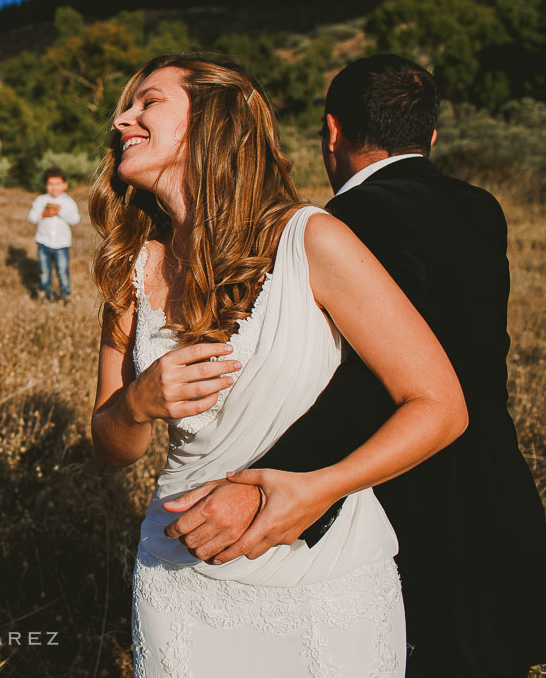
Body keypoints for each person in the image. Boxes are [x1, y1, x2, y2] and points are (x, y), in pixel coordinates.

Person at [157, 54, 546, 678]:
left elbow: (357, 385)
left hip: (402, 498)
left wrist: (261, 483)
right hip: (495, 493)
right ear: (431, 137)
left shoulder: (337, 225)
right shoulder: (482, 208)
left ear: (332, 133)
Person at [88, 53, 467, 677]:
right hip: (180, 577)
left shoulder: (310, 240)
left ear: (214, 122)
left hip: (324, 577)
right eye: (127, 105)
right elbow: (111, 447)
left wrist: (317, 489)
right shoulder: (129, 273)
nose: (121, 118)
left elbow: (440, 406)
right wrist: (137, 404)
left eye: (147, 102)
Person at [27, 167, 80, 301]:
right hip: (43, 242)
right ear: (46, 185)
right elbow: (31, 218)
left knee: (62, 271)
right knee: (44, 271)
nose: (54, 188)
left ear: (64, 185)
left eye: (58, 184)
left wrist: (60, 212)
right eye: (51, 184)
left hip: (62, 244)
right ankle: (46, 294)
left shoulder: (68, 202)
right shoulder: (41, 200)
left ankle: (65, 295)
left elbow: (75, 220)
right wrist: (43, 214)